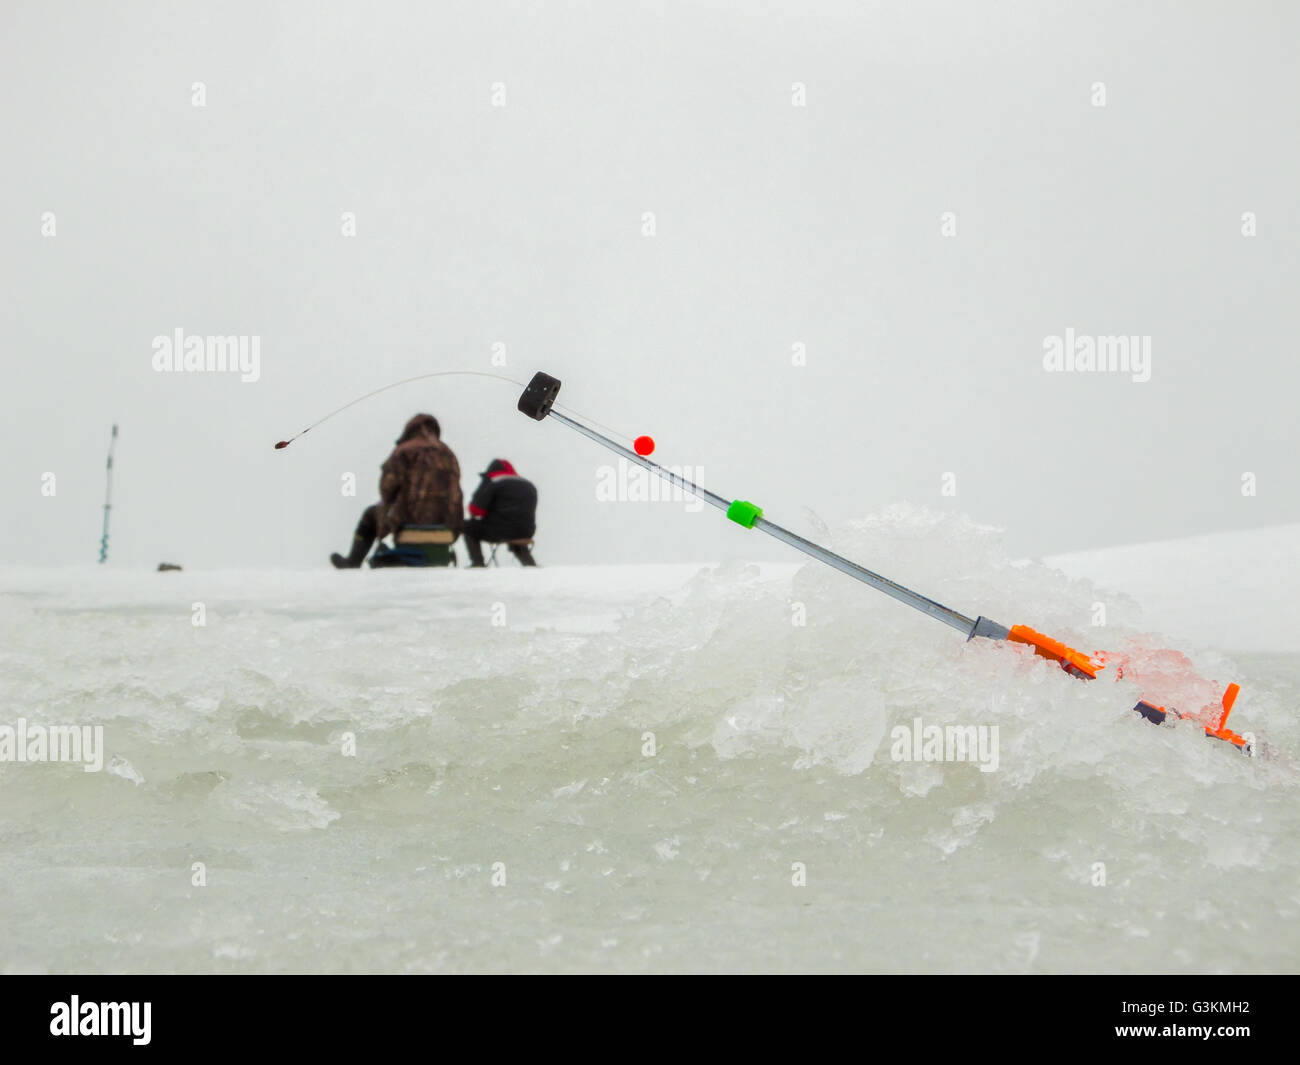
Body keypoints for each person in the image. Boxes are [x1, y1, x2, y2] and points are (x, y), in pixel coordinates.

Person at [330, 413, 465, 568]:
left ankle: (353, 562)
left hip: (410, 519)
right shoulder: (448, 454)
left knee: (370, 515)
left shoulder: (404, 450)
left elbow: (386, 490)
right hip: (447, 523)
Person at [463, 459, 537, 567]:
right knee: (515, 526)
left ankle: (477, 563)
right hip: (526, 531)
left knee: (466, 526)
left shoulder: (493, 481)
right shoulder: (528, 485)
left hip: (499, 531)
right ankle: (529, 564)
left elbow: (476, 510)